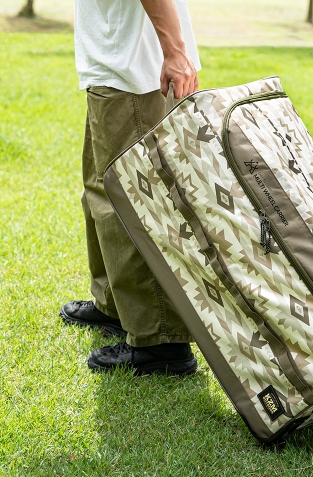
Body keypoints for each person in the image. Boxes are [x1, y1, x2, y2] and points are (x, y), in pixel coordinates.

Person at [60, 0, 201, 376]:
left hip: (133, 75)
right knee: (101, 195)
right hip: (113, 67)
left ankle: (161, 341)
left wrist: (175, 51)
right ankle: (117, 307)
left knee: (136, 207)